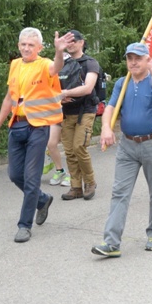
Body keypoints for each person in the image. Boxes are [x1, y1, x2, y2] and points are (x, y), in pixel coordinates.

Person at [0, 27, 74, 243]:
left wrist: (59, 51)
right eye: (23, 44)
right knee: (15, 175)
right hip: (17, 126)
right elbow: (10, 98)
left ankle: (24, 226)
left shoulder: (44, 64)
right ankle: (42, 199)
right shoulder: (15, 65)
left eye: (31, 45)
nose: (26, 48)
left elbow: (57, 67)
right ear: (18, 46)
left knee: (31, 179)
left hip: (38, 127)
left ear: (39, 47)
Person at [92, 43, 152, 258]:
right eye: (130, 58)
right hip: (127, 146)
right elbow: (110, 108)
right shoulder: (122, 82)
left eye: (138, 58)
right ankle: (112, 242)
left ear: (147, 60)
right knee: (119, 193)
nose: (133, 62)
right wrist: (106, 128)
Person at [59, 30, 100, 201]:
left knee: (79, 147)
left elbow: (88, 88)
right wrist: (59, 97)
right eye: (66, 41)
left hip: (85, 111)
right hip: (67, 113)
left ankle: (90, 182)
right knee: (69, 151)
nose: (70, 44)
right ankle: (75, 187)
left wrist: (65, 93)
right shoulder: (61, 63)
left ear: (82, 42)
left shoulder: (90, 63)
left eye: (73, 40)